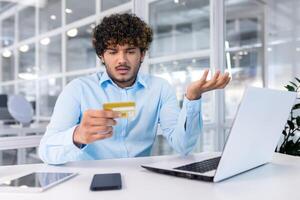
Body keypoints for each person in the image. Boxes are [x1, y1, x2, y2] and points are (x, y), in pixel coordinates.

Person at [39, 13, 230, 165]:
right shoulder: (78, 90)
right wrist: (77, 135)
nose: (121, 59)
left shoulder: (160, 88)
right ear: (102, 56)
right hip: (87, 181)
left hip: (140, 182)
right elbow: (47, 151)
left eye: (130, 51)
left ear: (142, 55)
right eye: (113, 52)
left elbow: (183, 145)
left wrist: (192, 98)